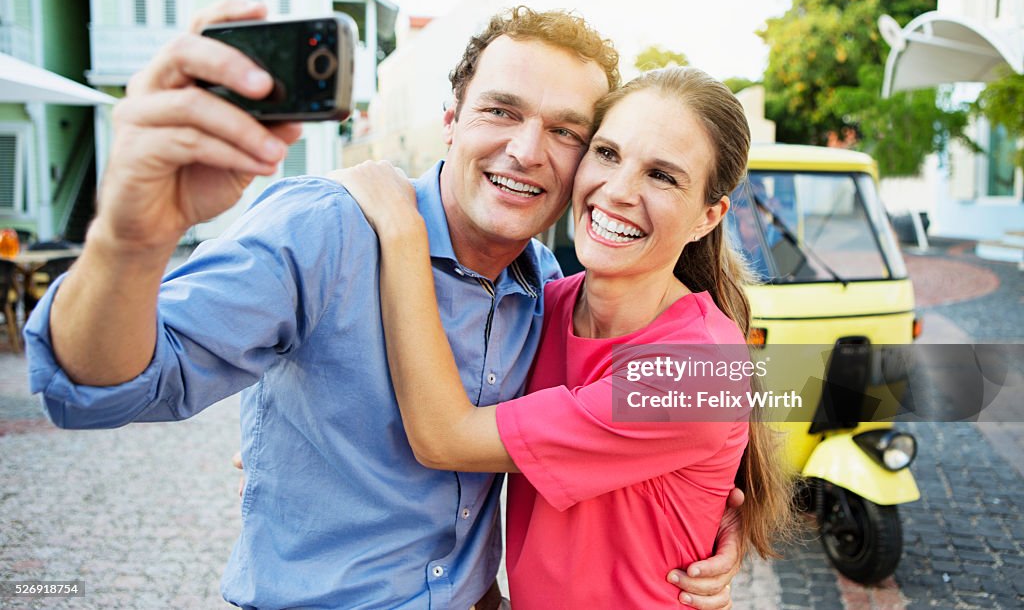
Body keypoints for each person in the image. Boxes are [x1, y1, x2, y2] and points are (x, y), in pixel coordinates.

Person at [26, 0, 743, 608]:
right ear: (452, 118)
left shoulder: (542, 283)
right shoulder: (335, 230)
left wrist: (726, 511)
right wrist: (129, 240)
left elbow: (744, 390)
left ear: (710, 215)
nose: (528, 150)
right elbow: (103, 388)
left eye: (565, 131)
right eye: (502, 111)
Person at [333, 66, 794, 607]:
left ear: (708, 216)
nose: (618, 190)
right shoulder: (542, 305)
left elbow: (446, 437)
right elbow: (414, 376)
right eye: (607, 153)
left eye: (663, 176)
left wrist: (402, 229)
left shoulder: (694, 370)